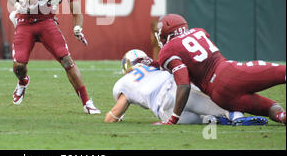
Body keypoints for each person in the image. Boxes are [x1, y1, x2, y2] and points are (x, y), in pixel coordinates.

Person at [5, 0, 100, 114]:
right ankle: (23, 81)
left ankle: (87, 102)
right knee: (19, 65)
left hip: (46, 21)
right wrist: (18, 1)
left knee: (67, 60)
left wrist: (77, 29)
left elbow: (77, 11)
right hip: (25, 21)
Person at [150, 13, 286, 125]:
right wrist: (173, 119)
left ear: (166, 33)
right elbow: (184, 85)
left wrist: (172, 119)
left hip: (220, 97)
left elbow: (183, 72)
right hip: (229, 74)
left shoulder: (168, 52)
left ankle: (281, 116)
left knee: (269, 108)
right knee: (281, 73)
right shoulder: (198, 32)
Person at [105, 49, 268, 125]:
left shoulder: (123, 83)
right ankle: (234, 115)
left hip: (164, 112)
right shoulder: (156, 66)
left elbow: (113, 115)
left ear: (126, 66)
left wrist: (112, 118)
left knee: (201, 121)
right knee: (220, 104)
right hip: (177, 93)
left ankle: (213, 120)